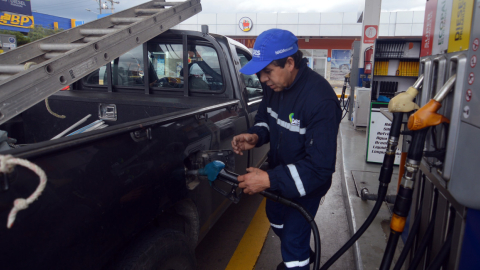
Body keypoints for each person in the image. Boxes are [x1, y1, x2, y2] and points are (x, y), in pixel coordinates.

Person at [231, 29, 342, 270]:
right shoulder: (275, 88)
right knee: (275, 217)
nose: (263, 79)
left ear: (290, 63)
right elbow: (265, 119)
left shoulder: (320, 101)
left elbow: (320, 168)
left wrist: (269, 178)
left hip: (306, 186)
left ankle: (297, 261)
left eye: (267, 71)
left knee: (293, 241)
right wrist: (255, 136)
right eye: (260, 73)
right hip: (281, 174)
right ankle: (300, 253)